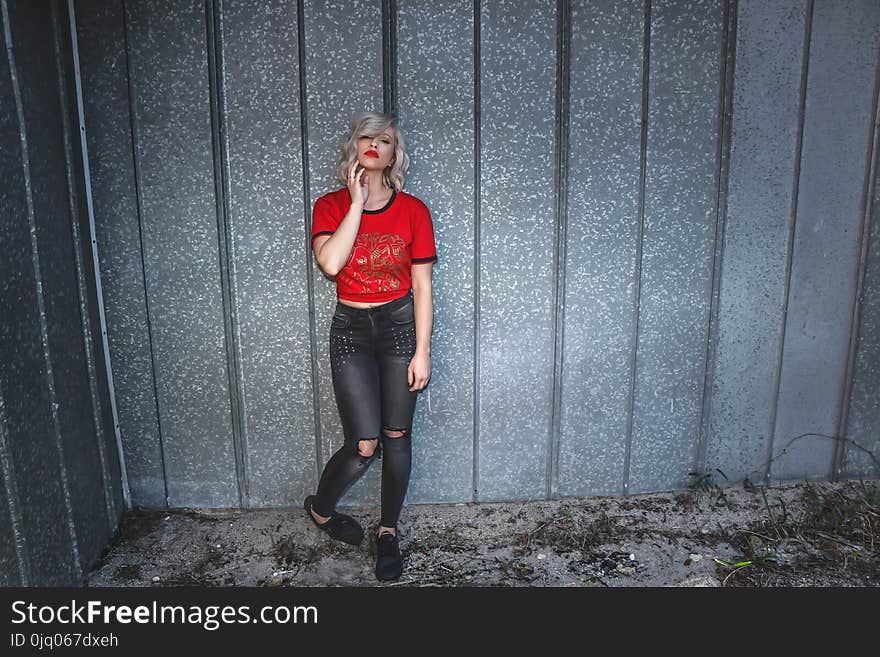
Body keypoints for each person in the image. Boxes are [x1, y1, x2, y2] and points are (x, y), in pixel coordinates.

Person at [304, 111, 437, 582]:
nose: (375, 144)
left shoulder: (414, 211)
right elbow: (332, 263)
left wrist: (422, 350)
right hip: (352, 329)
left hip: (400, 325)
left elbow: (422, 287)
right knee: (364, 444)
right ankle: (320, 509)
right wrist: (357, 203)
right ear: (355, 147)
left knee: (397, 435)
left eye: (386, 139)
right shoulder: (329, 205)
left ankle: (388, 532)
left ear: (395, 154)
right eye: (367, 137)